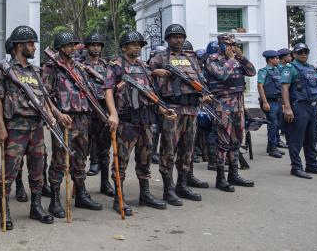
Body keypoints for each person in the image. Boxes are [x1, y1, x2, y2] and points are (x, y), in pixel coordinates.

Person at [0, 26, 57, 228]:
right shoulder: (3, 70)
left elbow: (43, 98)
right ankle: (5, 210)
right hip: (15, 127)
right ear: (19, 46)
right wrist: (1, 127)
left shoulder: (37, 71)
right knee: (9, 171)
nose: (34, 48)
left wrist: (51, 115)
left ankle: (36, 207)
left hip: (36, 128)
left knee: (38, 169)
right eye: (30, 44)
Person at [103, 30, 170, 215]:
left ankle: (145, 194)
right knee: (121, 161)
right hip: (127, 120)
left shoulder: (143, 65)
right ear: (124, 47)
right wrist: (113, 114)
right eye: (134, 44)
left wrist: (162, 108)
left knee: (145, 158)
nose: (138, 47)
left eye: (140, 44)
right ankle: (119, 198)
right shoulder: (115, 65)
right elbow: (108, 91)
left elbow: (150, 92)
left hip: (146, 119)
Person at [148, 24, 209, 205]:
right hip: (172, 109)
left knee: (187, 150)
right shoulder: (159, 57)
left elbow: (200, 78)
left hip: (191, 109)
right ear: (167, 39)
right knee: (168, 151)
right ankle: (169, 189)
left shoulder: (191, 57)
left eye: (181, 36)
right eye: (174, 36)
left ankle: (182, 184)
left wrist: (205, 95)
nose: (178, 39)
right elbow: (145, 80)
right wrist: (154, 72)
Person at [43, 32, 101, 217]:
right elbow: (44, 96)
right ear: (60, 48)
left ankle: (81, 194)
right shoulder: (51, 68)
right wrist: (57, 115)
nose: (73, 48)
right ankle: (54, 200)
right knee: (59, 161)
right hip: (64, 120)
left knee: (81, 159)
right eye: (69, 45)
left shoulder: (79, 68)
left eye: (74, 45)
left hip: (82, 118)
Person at [204, 33, 256, 190]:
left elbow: (252, 72)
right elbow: (222, 75)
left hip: (238, 106)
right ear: (220, 44)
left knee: (236, 141)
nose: (232, 46)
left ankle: (234, 175)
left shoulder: (237, 60)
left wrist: (242, 57)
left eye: (234, 44)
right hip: (222, 106)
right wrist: (231, 59)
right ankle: (221, 178)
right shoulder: (212, 59)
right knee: (223, 143)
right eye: (228, 44)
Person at [280, 43, 317, 179]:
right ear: (294, 54)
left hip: (313, 106)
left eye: (306, 52)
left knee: (312, 137)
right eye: (300, 52)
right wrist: (287, 108)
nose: (303, 54)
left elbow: (315, 89)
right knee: (296, 139)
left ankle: (312, 165)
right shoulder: (290, 68)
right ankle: (296, 167)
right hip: (299, 106)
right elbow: (284, 88)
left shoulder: (311, 68)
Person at [81, 33, 113, 197]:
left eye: (98, 45)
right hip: (85, 111)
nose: (96, 47)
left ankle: (105, 183)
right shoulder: (79, 65)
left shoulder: (107, 65)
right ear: (87, 47)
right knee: (81, 151)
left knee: (104, 151)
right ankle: (80, 188)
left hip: (103, 110)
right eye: (93, 44)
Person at [256, 50, 284, 158]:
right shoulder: (264, 71)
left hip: (278, 101)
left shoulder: (277, 70)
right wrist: (265, 102)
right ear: (270, 60)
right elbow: (260, 86)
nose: (278, 60)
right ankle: (272, 148)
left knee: (277, 125)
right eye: (276, 58)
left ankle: (272, 145)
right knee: (273, 125)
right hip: (270, 101)